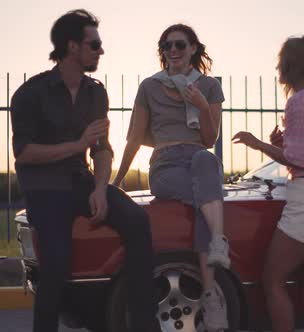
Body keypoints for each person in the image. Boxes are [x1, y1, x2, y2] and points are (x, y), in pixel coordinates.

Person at [10, 9, 158, 332]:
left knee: (137, 220)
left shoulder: (96, 93)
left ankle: (142, 323)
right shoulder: (30, 95)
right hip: (45, 189)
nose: (101, 51)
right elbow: (24, 154)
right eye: (94, 45)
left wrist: (101, 188)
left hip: (82, 183)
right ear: (72, 46)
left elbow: (102, 149)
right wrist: (77, 146)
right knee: (57, 266)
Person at [112, 24, 229, 331]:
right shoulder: (149, 87)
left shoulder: (210, 86)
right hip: (166, 165)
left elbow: (208, 138)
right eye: (167, 46)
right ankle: (212, 283)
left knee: (206, 160)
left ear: (193, 49)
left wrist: (202, 105)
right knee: (207, 199)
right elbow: (135, 138)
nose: (173, 50)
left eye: (179, 44)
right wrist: (116, 182)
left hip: (198, 159)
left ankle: (211, 277)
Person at [232, 35, 304, 332]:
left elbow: (295, 161)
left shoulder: (298, 101)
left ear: (289, 66)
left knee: (272, 280)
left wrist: (257, 143)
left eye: (280, 64)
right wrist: (283, 144)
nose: (277, 70)